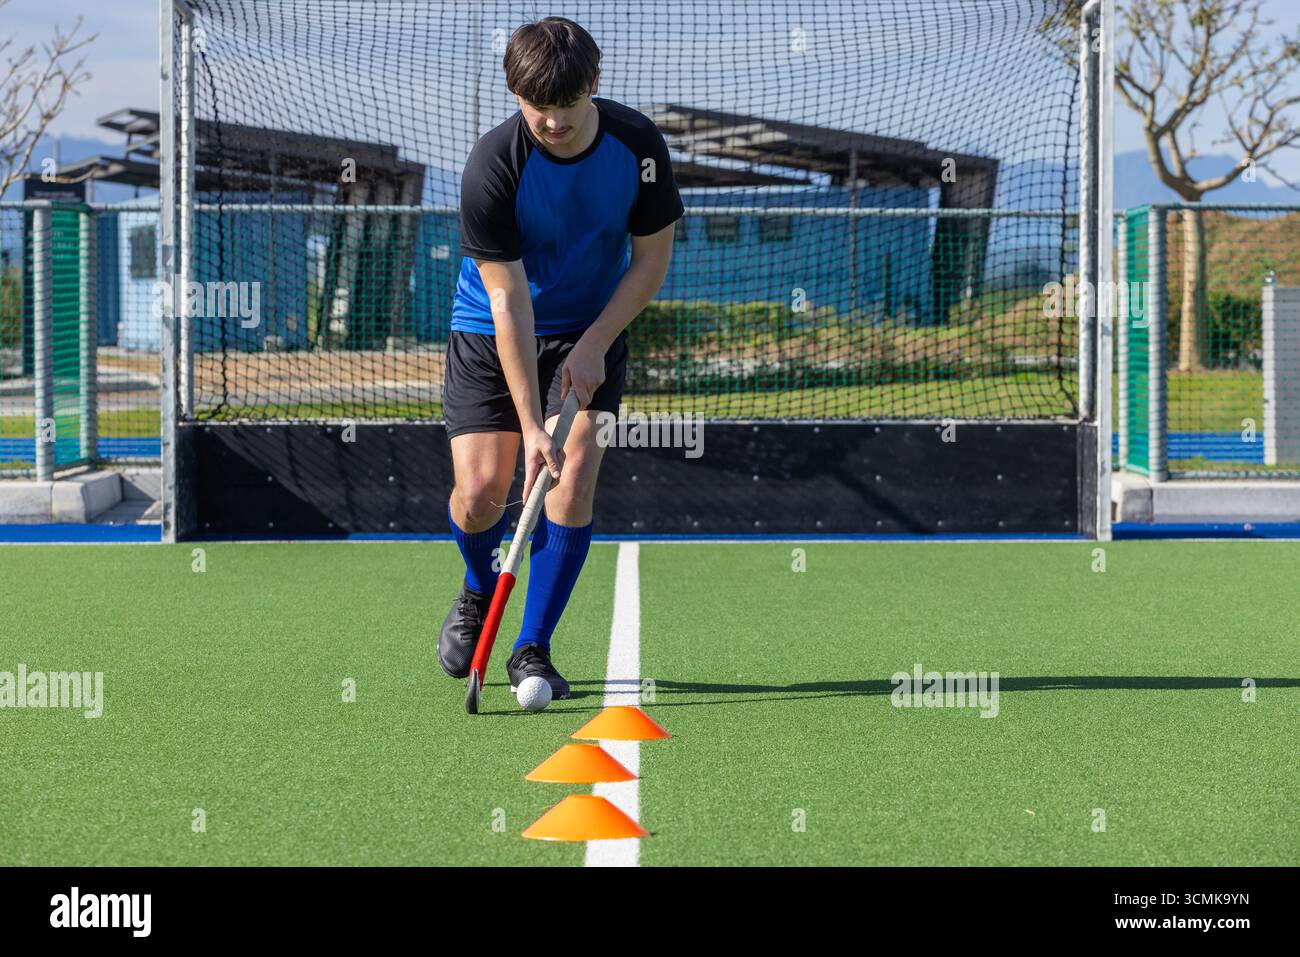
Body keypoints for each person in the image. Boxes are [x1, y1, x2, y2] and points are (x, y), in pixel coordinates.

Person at [438, 16, 682, 698]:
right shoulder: (494, 165)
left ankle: (532, 648)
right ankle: (478, 588)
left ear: (593, 86)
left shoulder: (637, 145)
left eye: (565, 108)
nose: (551, 122)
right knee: (484, 492)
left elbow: (652, 258)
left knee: (570, 482)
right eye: (535, 108)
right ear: (516, 96)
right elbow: (508, 302)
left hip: (591, 326)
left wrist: (596, 342)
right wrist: (531, 423)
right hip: (492, 331)